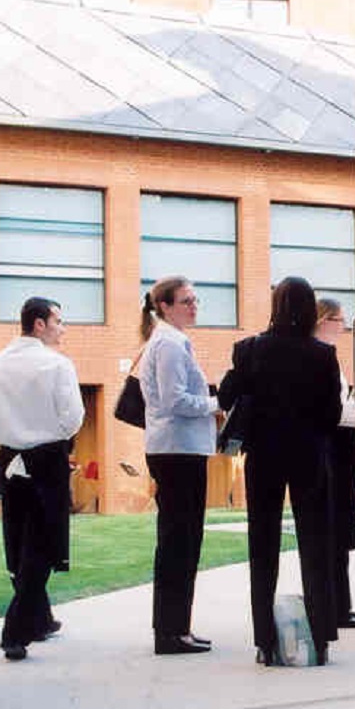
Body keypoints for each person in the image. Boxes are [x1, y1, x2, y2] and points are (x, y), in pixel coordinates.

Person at [219, 276, 342, 667]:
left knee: (263, 547)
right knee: (315, 546)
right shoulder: (323, 355)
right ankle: (320, 637)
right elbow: (332, 415)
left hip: (264, 457)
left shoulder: (250, 349)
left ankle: (265, 642)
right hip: (309, 455)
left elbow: (225, 396)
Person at [0, 297, 85, 661]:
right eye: (58, 320)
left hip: (8, 460)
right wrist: (48, 435)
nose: (63, 328)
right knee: (42, 546)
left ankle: (41, 618)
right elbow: (73, 419)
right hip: (47, 460)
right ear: (39, 324)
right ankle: (16, 630)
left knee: (19, 542)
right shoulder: (57, 365)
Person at [136, 277, 219, 656]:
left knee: (182, 543)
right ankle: (170, 631)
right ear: (165, 306)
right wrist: (215, 404)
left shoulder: (170, 340)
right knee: (178, 544)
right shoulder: (169, 343)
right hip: (177, 451)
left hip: (178, 450)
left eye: (195, 300)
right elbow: (174, 400)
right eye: (185, 301)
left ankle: (176, 627)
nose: (193, 306)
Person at [316, 298, 355, 629]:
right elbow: (333, 410)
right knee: (335, 527)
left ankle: (340, 603)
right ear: (322, 319)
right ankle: (335, 606)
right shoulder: (322, 356)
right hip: (336, 447)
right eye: (338, 319)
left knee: (340, 528)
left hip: (340, 446)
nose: (343, 325)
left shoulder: (329, 356)